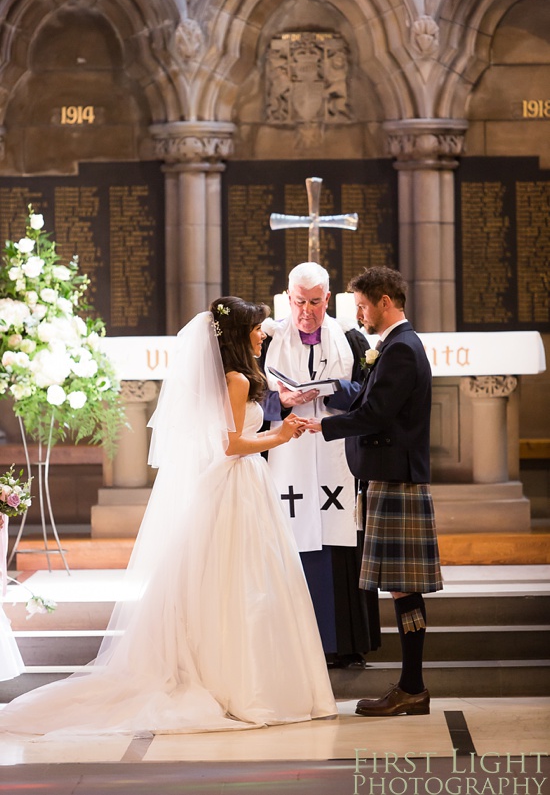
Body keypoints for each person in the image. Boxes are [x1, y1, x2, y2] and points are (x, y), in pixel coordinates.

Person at [0, 297, 337, 736]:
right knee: (241, 580)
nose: (262, 334)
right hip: (237, 480)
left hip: (243, 484)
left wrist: (277, 407)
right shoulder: (234, 379)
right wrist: (281, 434)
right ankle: (240, 682)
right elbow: (230, 445)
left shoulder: (235, 377)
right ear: (238, 335)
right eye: (256, 329)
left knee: (242, 579)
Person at [308, 266, 443, 716]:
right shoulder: (394, 347)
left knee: (405, 589)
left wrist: (321, 426)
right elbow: (368, 401)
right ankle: (411, 684)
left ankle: (413, 686)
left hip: (397, 481)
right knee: (402, 589)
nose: (359, 313)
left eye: (363, 305)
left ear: (386, 302)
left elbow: (376, 415)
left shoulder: (402, 349)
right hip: (389, 478)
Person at [260, 262, 380, 667]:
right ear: (287, 297)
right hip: (286, 459)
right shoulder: (267, 339)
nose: (306, 311)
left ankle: (343, 646)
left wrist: (335, 392)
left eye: (314, 302)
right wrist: (279, 401)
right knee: (293, 539)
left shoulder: (351, 338)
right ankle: (292, 646)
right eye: (299, 302)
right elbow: (243, 398)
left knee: (339, 537)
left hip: (336, 456)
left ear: (327, 299)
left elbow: (369, 394)